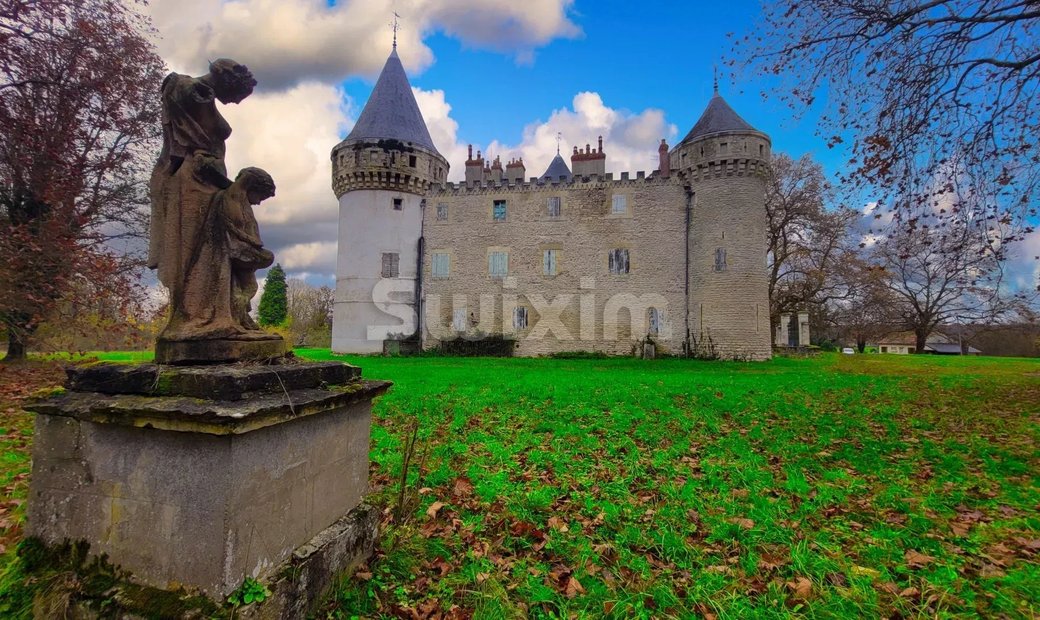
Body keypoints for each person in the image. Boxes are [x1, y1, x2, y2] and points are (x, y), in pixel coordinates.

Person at [148, 59, 276, 342]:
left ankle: (222, 314)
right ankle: (197, 320)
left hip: (211, 181)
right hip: (194, 180)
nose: (237, 103)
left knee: (214, 251)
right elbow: (180, 94)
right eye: (239, 94)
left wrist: (232, 190)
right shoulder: (187, 88)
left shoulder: (204, 96)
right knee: (198, 250)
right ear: (229, 80)